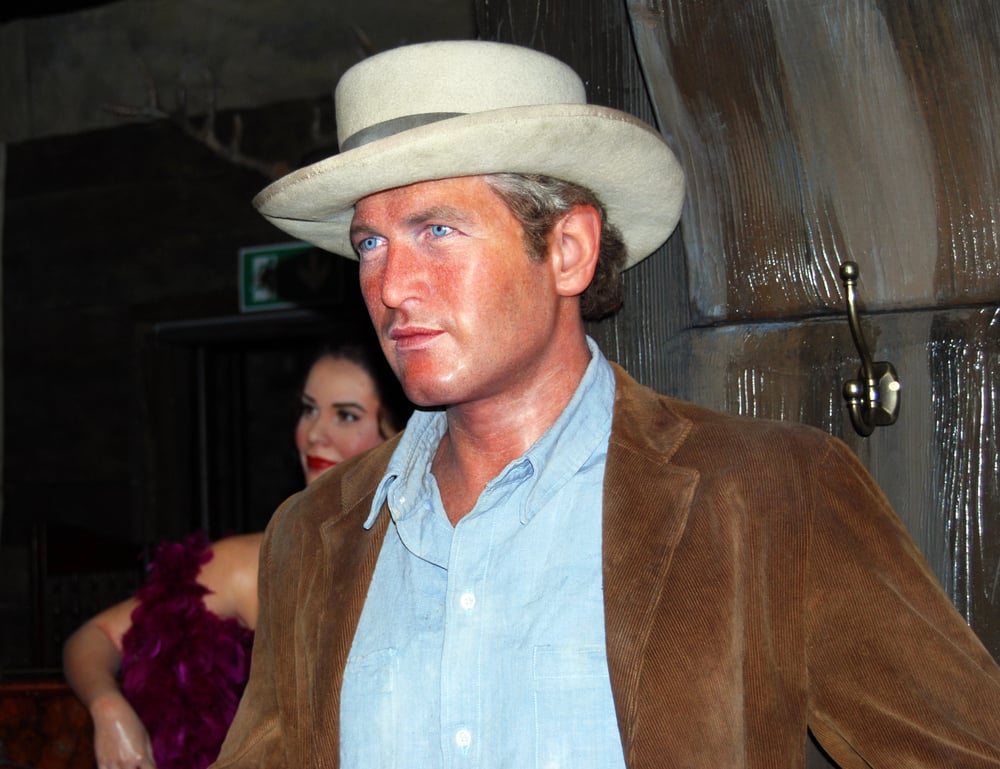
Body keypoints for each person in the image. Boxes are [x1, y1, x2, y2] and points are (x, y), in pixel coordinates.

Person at [212, 40, 1000, 769]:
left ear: (569, 250)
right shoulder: (314, 533)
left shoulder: (770, 494)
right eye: (370, 243)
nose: (390, 286)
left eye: (438, 230)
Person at [63, 340, 411, 769]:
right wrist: (108, 707)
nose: (314, 433)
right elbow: (93, 639)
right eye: (308, 409)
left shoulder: (428, 562)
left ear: (401, 436)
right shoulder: (253, 563)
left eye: (346, 415)